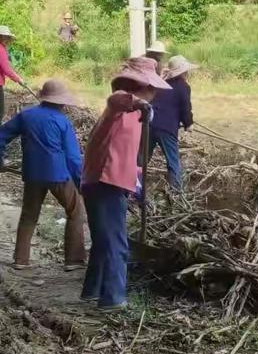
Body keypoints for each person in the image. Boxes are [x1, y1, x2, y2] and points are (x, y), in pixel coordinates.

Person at [81, 57, 171, 312]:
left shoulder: (135, 118)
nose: (154, 94)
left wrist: (138, 174)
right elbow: (117, 98)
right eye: (151, 89)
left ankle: (93, 290)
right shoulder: (121, 106)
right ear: (141, 86)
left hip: (107, 180)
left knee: (103, 240)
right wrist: (139, 103)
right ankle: (113, 298)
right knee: (116, 243)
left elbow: (122, 151)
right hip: (104, 182)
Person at [0, 80, 86, 271]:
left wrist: (1, 160)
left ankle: (20, 260)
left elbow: (1, 136)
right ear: (61, 102)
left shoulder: (26, 116)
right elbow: (73, 158)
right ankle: (74, 260)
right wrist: (80, 183)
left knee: (29, 215)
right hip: (58, 175)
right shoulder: (63, 121)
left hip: (32, 174)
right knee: (75, 211)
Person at [149, 55, 197, 190]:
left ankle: (134, 183)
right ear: (183, 72)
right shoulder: (183, 87)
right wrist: (189, 124)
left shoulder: (162, 83)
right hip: (167, 128)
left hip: (150, 124)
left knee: (142, 159)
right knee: (173, 160)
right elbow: (185, 108)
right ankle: (176, 192)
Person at [0, 25, 24, 124]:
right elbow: (6, 69)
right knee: (0, 111)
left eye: (7, 37)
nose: (7, 39)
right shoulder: (1, 49)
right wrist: (19, 79)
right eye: (4, 37)